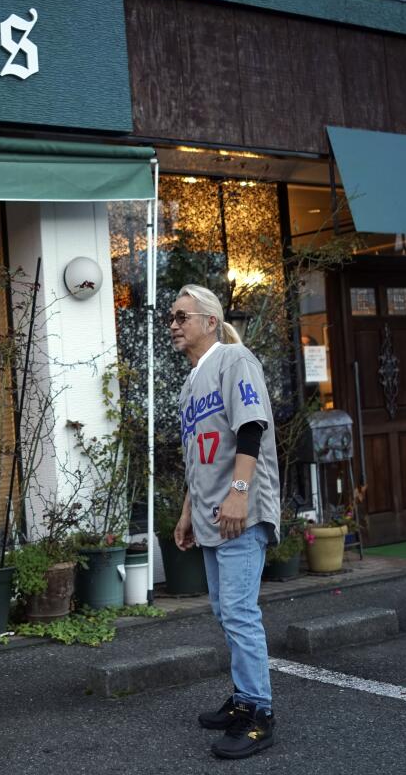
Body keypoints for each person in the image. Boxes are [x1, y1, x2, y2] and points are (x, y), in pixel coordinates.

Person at [170, 284, 280, 760]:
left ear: (210, 321)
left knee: (238, 612)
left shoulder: (234, 360)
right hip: (212, 511)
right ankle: (242, 699)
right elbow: (198, 455)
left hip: (239, 510)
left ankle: (258, 714)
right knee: (224, 611)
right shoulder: (191, 381)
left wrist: (239, 495)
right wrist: (187, 511)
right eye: (171, 318)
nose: (173, 325)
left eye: (182, 316)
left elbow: (251, 427)